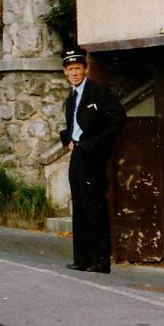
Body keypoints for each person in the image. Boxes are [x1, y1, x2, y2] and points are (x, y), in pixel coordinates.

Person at [58, 48, 125, 274]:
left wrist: (96, 144)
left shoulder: (98, 92)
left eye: (78, 68)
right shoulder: (71, 97)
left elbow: (117, 118)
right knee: (79, 206)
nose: (74, 73)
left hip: (92, 155)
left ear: (85, 69)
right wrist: (68, 139)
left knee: (94, 207)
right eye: (70, 69)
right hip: (77, 153)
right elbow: (74, 124)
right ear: (65, 72)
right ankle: (81, 258)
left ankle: (99, 260)